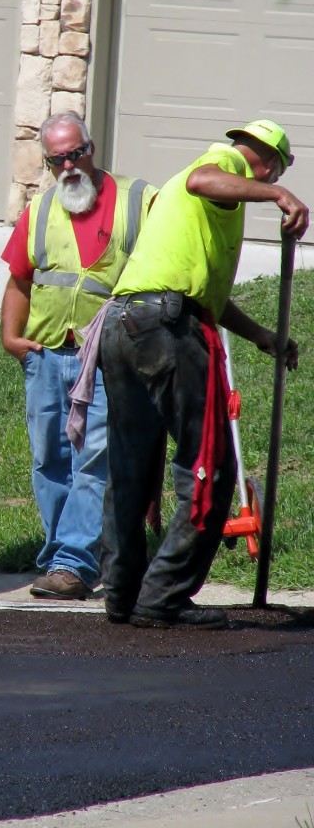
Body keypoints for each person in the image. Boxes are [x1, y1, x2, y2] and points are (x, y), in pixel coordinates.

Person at [93, 118, 308, 630]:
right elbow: (204, 180)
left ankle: (122, 594)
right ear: (269, 159)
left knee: (131, 465)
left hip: (125, 323)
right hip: (167, 327)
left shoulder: (189, 205)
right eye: (274, 168)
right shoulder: (221, 165)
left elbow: (204, 292)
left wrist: (261, 335)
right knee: (208, 462)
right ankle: (163, 596)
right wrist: (276, 192)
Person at [1, 112, 156, 600]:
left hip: (110, 357)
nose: (70, 166)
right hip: (47, 354)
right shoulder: (41, 210)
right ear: (47, 163)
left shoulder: (139, 201)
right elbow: (20, 280)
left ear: (92, 148)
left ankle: (71, 561)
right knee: (50, 459)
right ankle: (73, 557)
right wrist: (10, 336)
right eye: (58, 159)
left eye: (77, 153)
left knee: (94, 459)